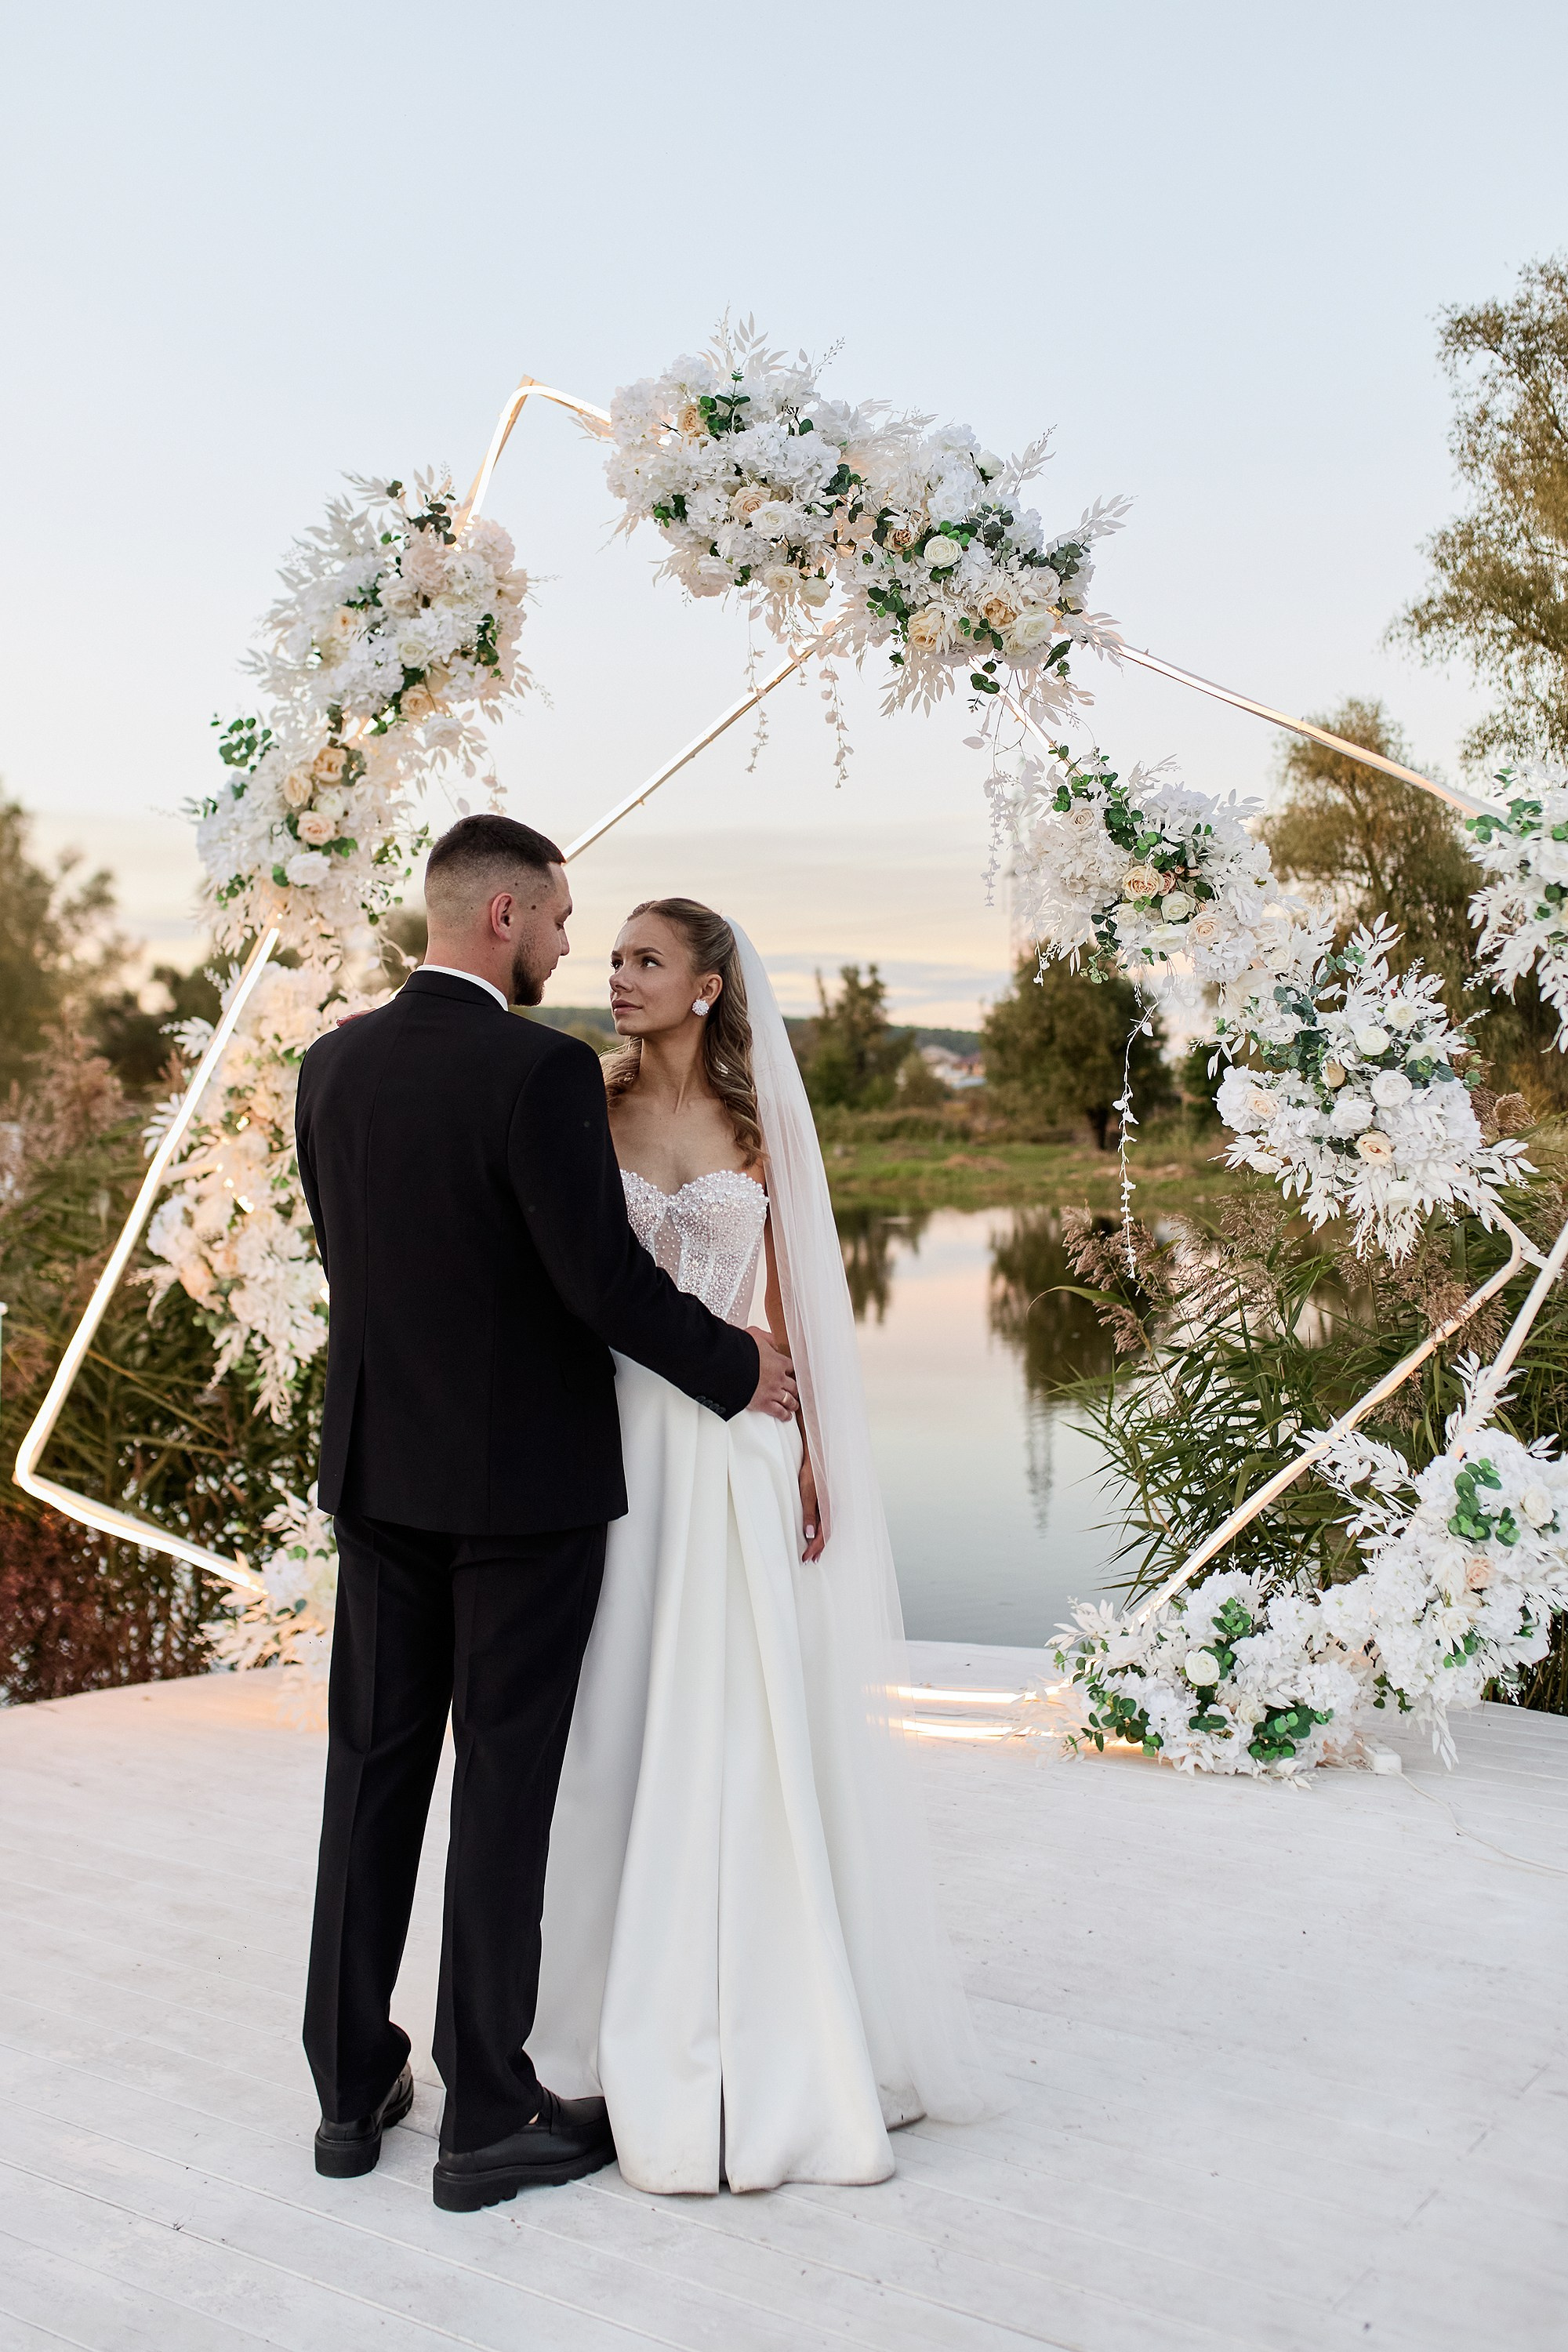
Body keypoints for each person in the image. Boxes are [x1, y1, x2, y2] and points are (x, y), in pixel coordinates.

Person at [292, 818, 800, 2214]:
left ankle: (347, 2091)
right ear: (505, 914)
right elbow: (598, 1282)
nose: (574, 948)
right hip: (522, 1489)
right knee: (503, 1788)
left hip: (381, 1474)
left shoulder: (331, 1065)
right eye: (566, 922)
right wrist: (735, 1367)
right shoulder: (541, 1071)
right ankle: (487, 2115)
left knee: (370, 1776)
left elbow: (360, 1265)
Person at [528, 898, 989, 2194]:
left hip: (739, 1453)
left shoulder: (761, 1125)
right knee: (612, 1722)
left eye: (646, 960)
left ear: (709, 987)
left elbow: (799, 1309)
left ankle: (763, 2013)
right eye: (613, 957)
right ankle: (587, 2025)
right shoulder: (585, 1108)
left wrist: (819, 1459)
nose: (619, 976)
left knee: (743, 1728)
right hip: (613, 1443)